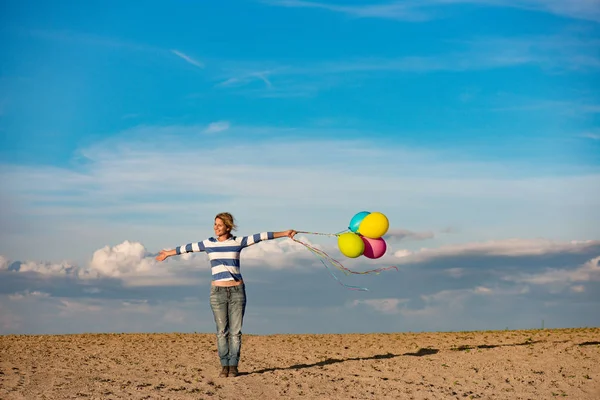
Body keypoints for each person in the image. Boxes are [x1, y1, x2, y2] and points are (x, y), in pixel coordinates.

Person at [155, 212, 297, 378]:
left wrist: (285, 233)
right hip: (217, 293)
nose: (216, 228)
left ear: (228, 227)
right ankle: (224, 366)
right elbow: (187, 248)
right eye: (214, 224)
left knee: (235, 332)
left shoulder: (237, 242)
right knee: (222, 331)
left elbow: (261, 237)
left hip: (237, 292)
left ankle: (233, 366)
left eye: (219, 225)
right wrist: (167, 253)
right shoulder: (208, 243)